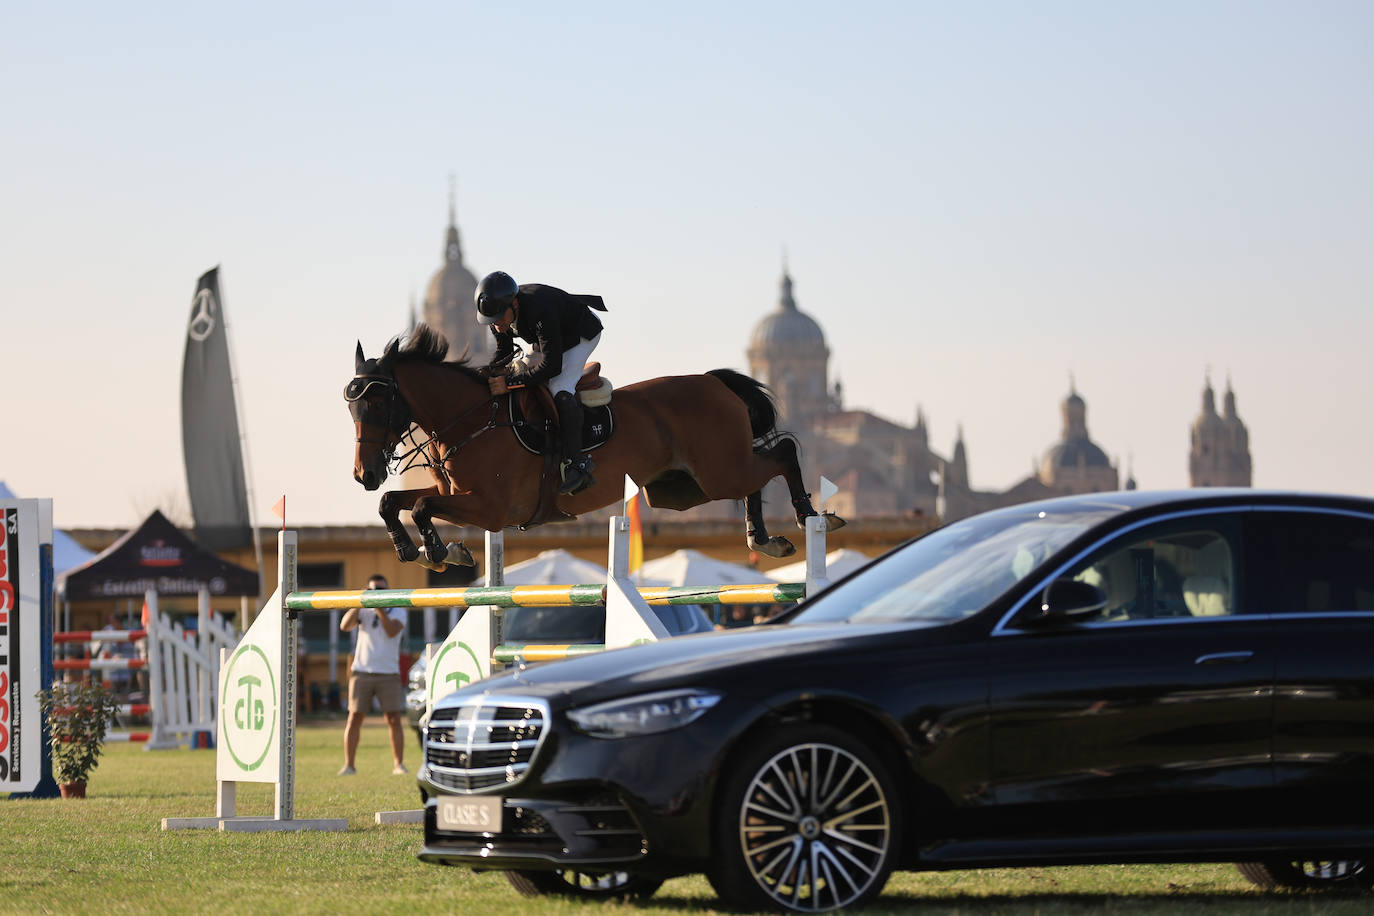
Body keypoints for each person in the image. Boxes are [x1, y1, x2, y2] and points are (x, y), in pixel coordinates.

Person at [475, 270, 607, 495]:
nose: (496, 326)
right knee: (520, 370)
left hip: (581, 335)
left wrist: (509, 384)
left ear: (514, 304)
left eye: (498, 319)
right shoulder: (497, 312)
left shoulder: (539, 310)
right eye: (491, 321)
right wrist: (484, 374)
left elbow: (551, 366)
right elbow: (504, 351)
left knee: (558, 387)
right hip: (551, 338)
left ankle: (578, 464)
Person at [338, 574, 408, 776]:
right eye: (373, 590)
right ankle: (349, 765)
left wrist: (379, 607)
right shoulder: (364, 610)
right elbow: (345, 626)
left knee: (394, 719)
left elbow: (392, 631)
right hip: (362, 671)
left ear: (388, 590)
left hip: (389, 672)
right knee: (354, 718)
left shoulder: (398, 609)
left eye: (381, 590)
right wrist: (360, 602)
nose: (377, 594)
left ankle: (398, 765)